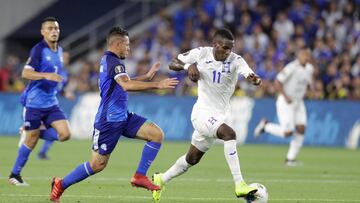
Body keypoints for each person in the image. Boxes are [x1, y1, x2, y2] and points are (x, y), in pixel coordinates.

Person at [49, 26, 179, 202]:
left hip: (122, 117)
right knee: (97, 165)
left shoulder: (112, 61)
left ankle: (140, 176)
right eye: (126, 44)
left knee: (156, 134)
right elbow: (126, 85)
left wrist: (147, 77)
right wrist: (157, 85)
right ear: (117, 44)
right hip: (108, 121)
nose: (129, 48)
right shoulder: (113, 62)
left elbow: (124, 82)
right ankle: (60, 184)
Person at [152, 28, 262, 202]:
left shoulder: (236, 60)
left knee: (192, 159)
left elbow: (248, 72)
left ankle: (161, 179)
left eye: (230, 48)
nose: (228, 52)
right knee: (229, 134)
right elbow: (172, 63)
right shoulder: (201, 53)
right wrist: (189, 66)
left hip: (218, 116)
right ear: (215, 45)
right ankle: (240, 184)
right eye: (225, 48)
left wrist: (253, 78)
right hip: (202, 113)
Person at [8, 17, 72, 186]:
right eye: (50, 28)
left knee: (65, 135)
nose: (54, 31)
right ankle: (15, 175)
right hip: (34, 103)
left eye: (56, 28)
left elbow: (55, 78)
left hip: (51, 103)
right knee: (31, 141)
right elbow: (25, 73)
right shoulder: (38, 50)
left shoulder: (59, 50)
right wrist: (45, 75)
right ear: (43, 32)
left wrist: (63, 89)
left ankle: (29, 131)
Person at [254, 48, 313, 166]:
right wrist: (285, 96)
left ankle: (290, 159)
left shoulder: (310, 69)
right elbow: (277, 82)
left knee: (301, 128)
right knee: (288, 132)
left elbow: (307, 83)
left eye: (308, 55)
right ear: (299, 56)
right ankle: (266, 126)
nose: (306, 57)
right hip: (286, 102)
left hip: (298, 102)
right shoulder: (291, 67)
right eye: (304, 55)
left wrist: (311, 90)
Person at [18, 51, 74, 160]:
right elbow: (30, 76)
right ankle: (17, 169)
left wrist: (66, 93)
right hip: (33, 103)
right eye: (64, 57)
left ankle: (41, 151)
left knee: (58, 130)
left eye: (67, 58)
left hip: (50, 104)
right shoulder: (48, 67)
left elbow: (60, 89)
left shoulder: (65, 74)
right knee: (31, 138)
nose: (65, 60)